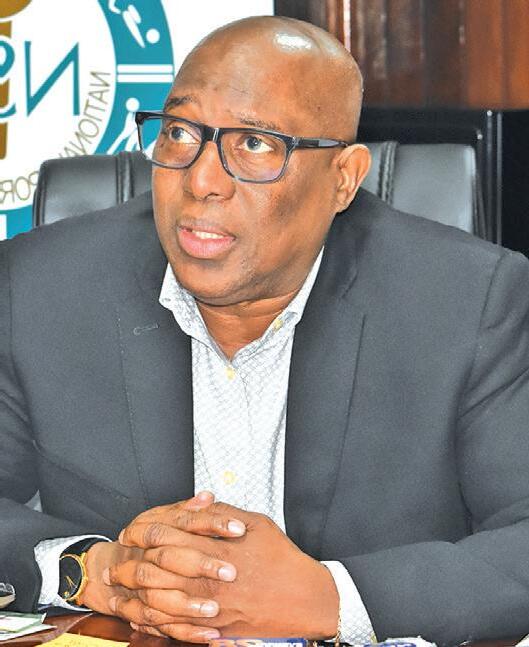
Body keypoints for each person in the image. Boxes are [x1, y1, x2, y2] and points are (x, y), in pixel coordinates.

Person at [1, 15, 529, 647]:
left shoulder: (470, 301)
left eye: (254, 144)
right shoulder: (42, 285)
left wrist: (328, 597)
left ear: (343, 178)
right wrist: (90, 570)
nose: (201, 180)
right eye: (180, 133)